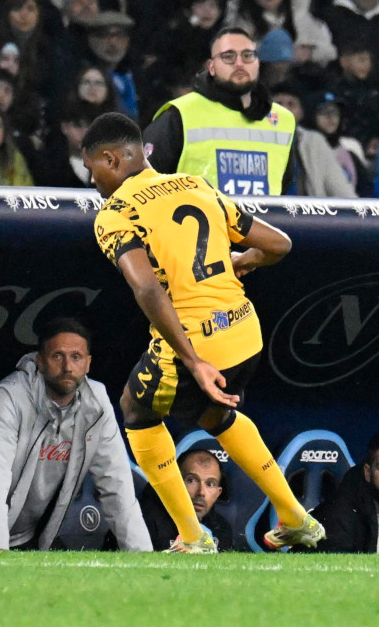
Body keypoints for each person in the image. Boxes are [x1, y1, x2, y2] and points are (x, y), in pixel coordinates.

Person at [83, 112, 323, 553]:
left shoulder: (115, 212)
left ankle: (193, 536)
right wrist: (242, 261)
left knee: (136, 412)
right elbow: (280, 245)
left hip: (201, 341)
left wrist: (194, 361)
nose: (91, 179)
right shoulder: (196, 184)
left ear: (111, 159)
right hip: (245, 331)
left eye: (91, 168)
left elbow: (146, 287)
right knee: (213, 416)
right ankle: (294, 516)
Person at [0, 318, 150, 551]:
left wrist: (143, 555)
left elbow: (118, 486)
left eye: (76, 357)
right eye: (57, 356)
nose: (67, 367)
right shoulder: (9, 398)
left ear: (88, 364)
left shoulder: (97, 404)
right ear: (39, 361)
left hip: (24, 538)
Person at [144, 28, 296, 197]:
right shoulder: (182, 114)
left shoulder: (283, 120)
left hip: (259, 222)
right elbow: (143, 185)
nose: (239, 64)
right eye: (228, 56)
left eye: (247, 56)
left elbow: (284, 185)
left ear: (257, 63)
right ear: (211, 67)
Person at [140, 450, 234, 551]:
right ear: (175, 482)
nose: (201, 492)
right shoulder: (146, 520)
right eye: (191, 480)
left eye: (210, 484)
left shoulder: (222, 530)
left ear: (218, 493)